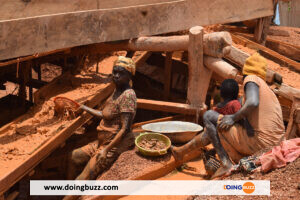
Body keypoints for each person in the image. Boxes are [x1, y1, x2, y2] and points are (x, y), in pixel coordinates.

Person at [171, 52, 285, 179]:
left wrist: (232, 118)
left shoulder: (252, 79)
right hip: (273, 144)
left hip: (260, 143)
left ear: (245, 72)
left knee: (209, 116)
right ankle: (180, 152)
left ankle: (225, 163)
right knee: (214, 129)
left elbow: (253, 102)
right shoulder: (268, 91)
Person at [66, 56, 137, 184]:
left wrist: (107, 149)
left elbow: (125, 129)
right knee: (73, 157)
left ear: (129, 76)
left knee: (82, 179)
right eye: (114, 72)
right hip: (100, 142)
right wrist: (84, 107)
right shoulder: (117, 91)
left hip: (112, 146)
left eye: (120, 73)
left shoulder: (128, 96)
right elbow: (104, 114)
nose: (115, 76)